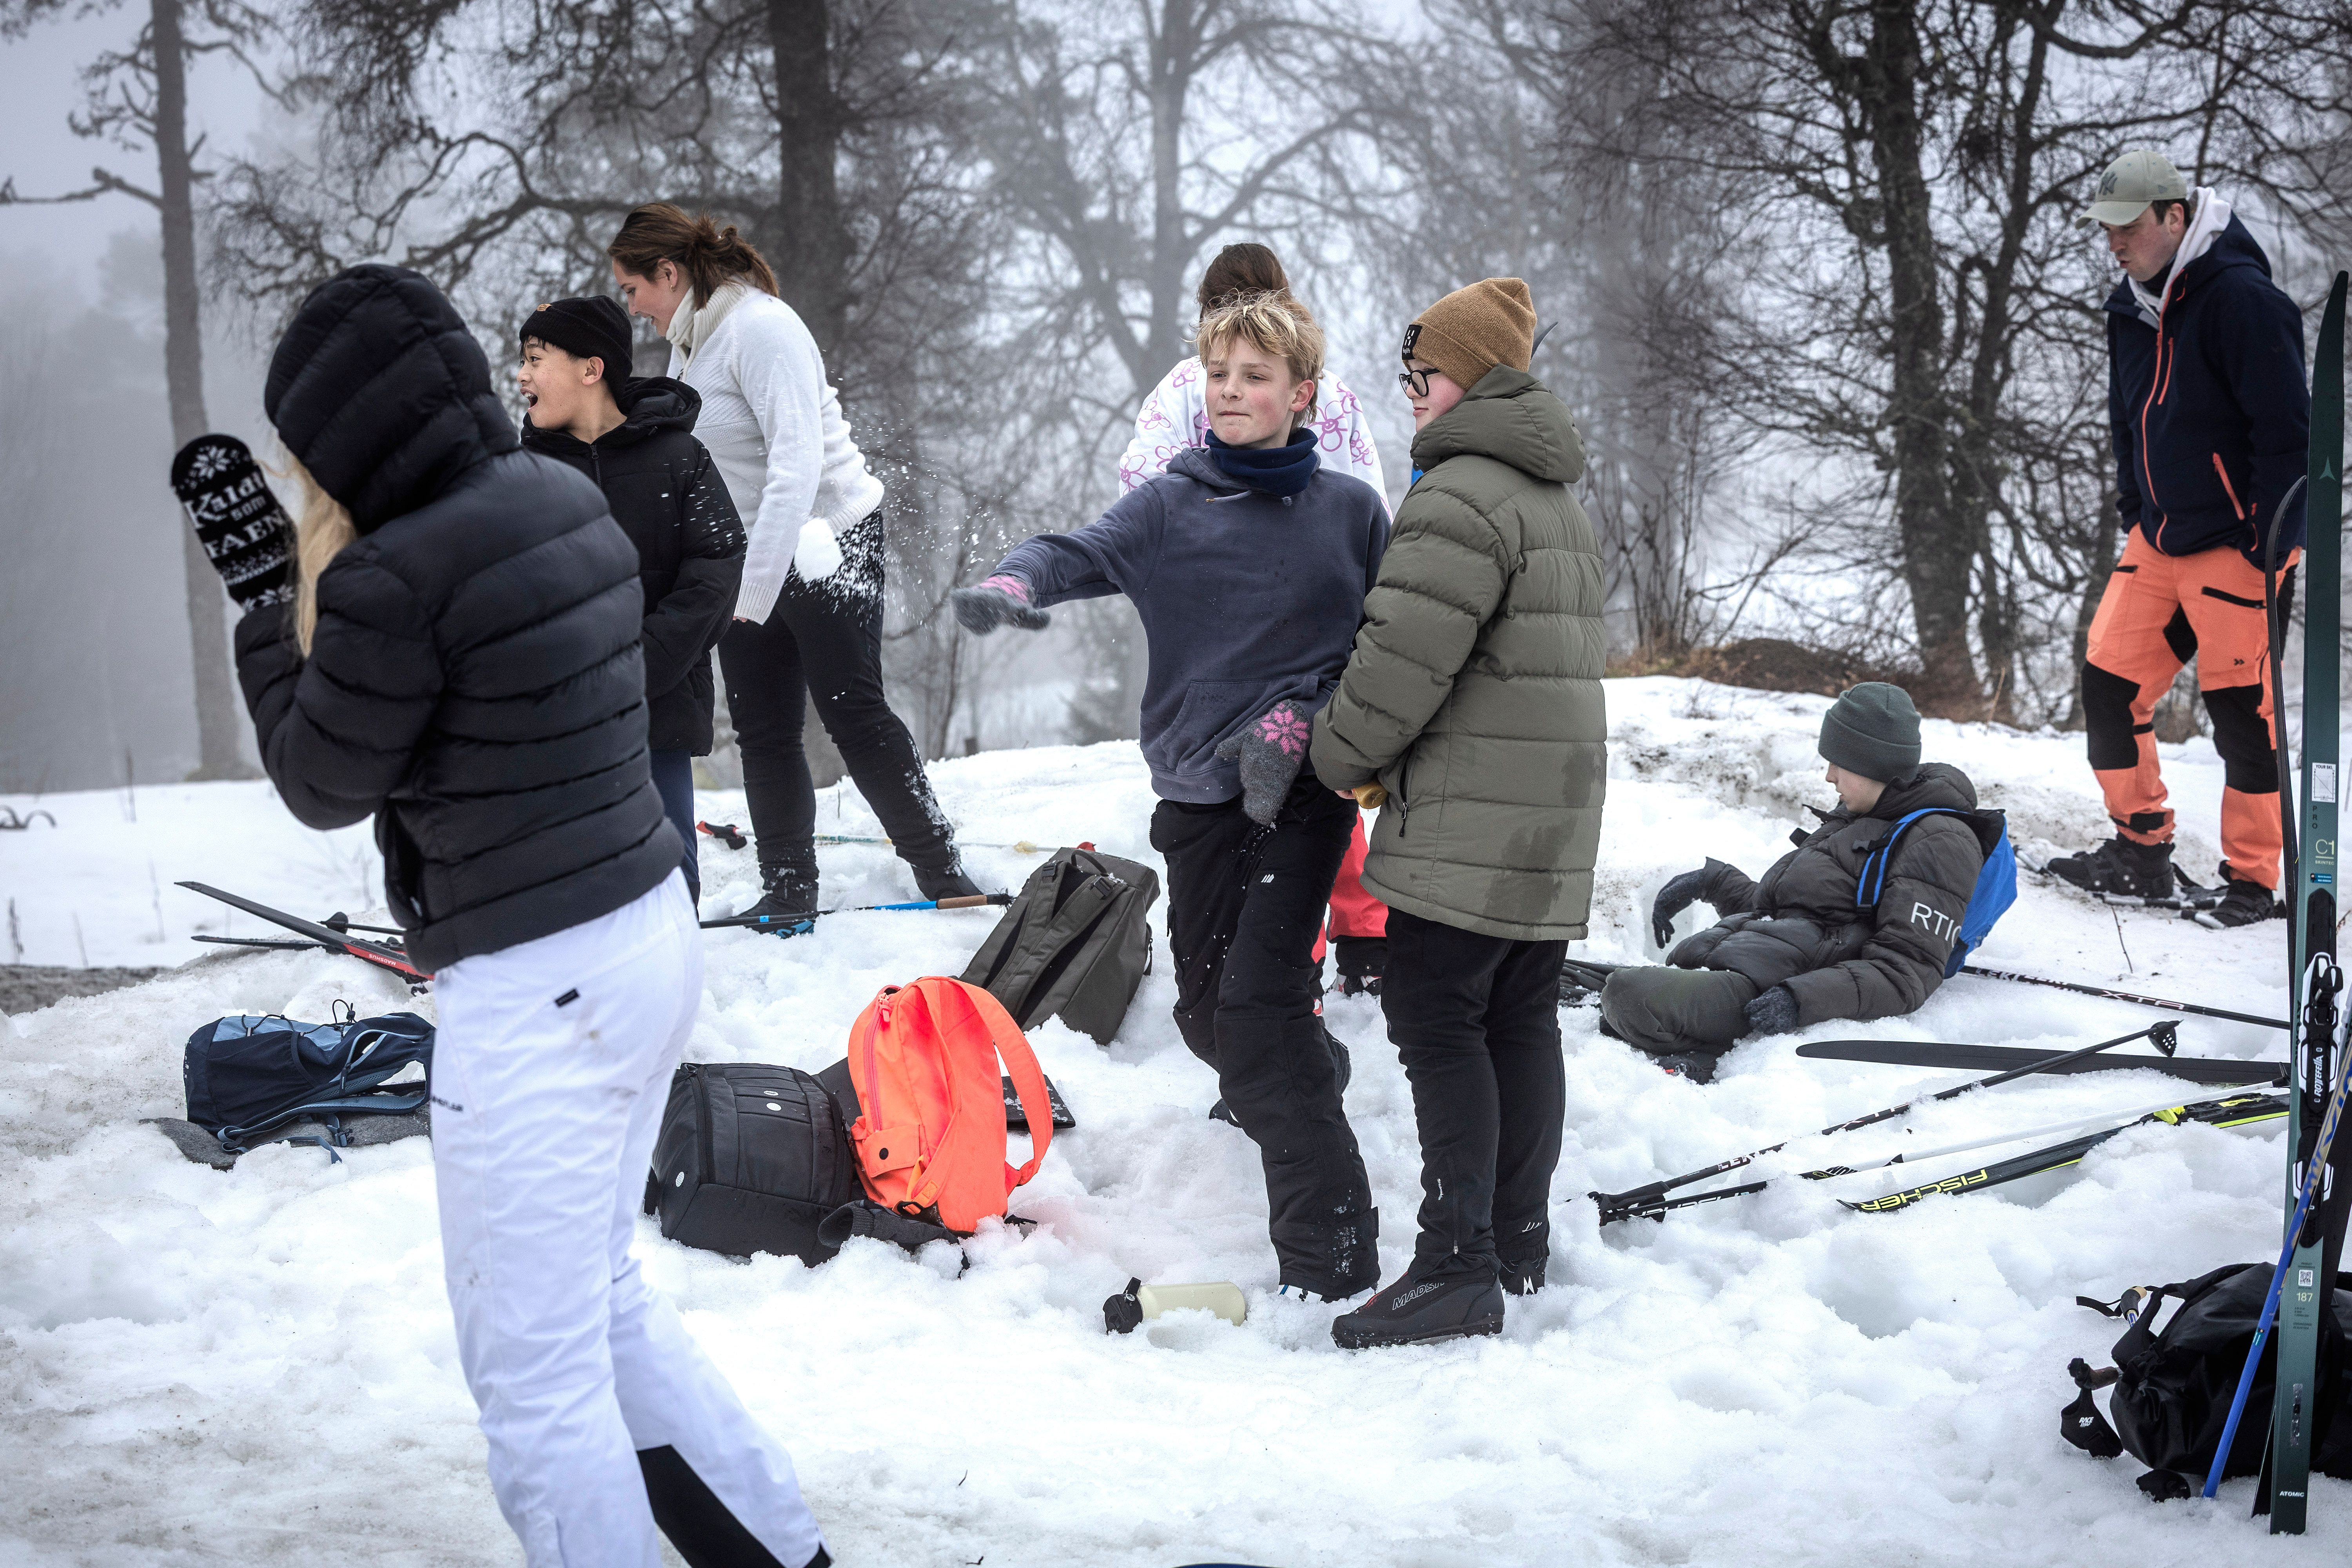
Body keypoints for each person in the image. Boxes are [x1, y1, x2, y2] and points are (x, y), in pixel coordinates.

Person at [201, 264, 828, 1567]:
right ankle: (780, 1556)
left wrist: (268, 602)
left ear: (351, 438)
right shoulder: (557, 493)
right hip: (640, 932)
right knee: (599, 1307)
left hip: (539, 989)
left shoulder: (390, 579)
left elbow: (322, 779)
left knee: (532, 1380)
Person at [953, 290, 1390, 1300]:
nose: (1233, 393)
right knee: (1207, 1015)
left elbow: (1387, 641)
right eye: (1220, 376)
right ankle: (1316, 1073)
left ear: (1303, 396)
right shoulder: (1172, 503)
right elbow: (1080, 552)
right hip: (1197, 797)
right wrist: (1018, 584)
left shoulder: (1351, 511)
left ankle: (1333, 1257)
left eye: (1256, 378)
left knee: (1260, 1010)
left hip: (1303, 794)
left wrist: (1307, 718)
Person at [1308, 277, 1606, 1350]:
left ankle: (1455, 1266)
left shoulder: (1458, 494)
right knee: (1518, 1017)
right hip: (1552, 816)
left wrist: (1337, 757)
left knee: (1439, 1019)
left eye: (1422, 375)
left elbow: (1400, 664)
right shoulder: (1552, 495)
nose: (1411, 396)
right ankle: (1514, 1242)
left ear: (1470, 376)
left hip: (1476, 819)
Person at [608, 202, 978, 922]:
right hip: (754, 554)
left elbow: (795, 465)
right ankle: (787, 890)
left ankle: (945, 872)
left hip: (827, 537)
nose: (631, 306)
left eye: (632, 289)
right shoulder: (691, 341)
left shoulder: (761, 328)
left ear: (669, 272)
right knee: (764, 729)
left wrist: (752, 590)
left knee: (852, 711)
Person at [1115, 242, 1393, 996]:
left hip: (1223, 612)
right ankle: (1362, 933)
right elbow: (1364, 485)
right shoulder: (1320, 387)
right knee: (1323, 773)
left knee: (1251, 799)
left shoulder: (1185, 384)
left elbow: (1139, 481)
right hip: (1321, 603)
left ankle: (1272, 976)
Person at [2045, 149, 2309, 928]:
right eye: (2107, 229)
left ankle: (2254, 884)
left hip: (2237, 544)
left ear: (2175, 215)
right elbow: (2127, 416)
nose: (2115, 242)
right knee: (2108, 684)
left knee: (2244, 720)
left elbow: (2288, 433)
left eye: (2129, 226)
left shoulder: (2245, 301)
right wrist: (2136, 506)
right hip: (2159, 540)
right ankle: (2141, 850)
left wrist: (2275, 538)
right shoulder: (2127, 304)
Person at [1604, 683, 1990, 1087]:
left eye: (1840, 762)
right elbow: (1791, 915)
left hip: (1770, 991)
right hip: (1748, 967)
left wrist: (1800, 1000)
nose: (1830, 776)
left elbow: (1905, 972)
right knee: (1581, 978)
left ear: (1874, 762)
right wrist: (1712, 881)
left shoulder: (1940, 840)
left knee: (1628, 994)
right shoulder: (1859, 816)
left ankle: (1707, 1053)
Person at [516, 294, 746, 907]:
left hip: (657, 714)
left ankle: (671, 997)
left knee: (666, 885)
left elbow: (718, 568)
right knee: (563, 890)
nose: (522, 375)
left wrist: (640, 666)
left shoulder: (680, 458)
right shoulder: (520, 477)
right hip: (557, 726)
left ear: (592, 370)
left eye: (537, 359)